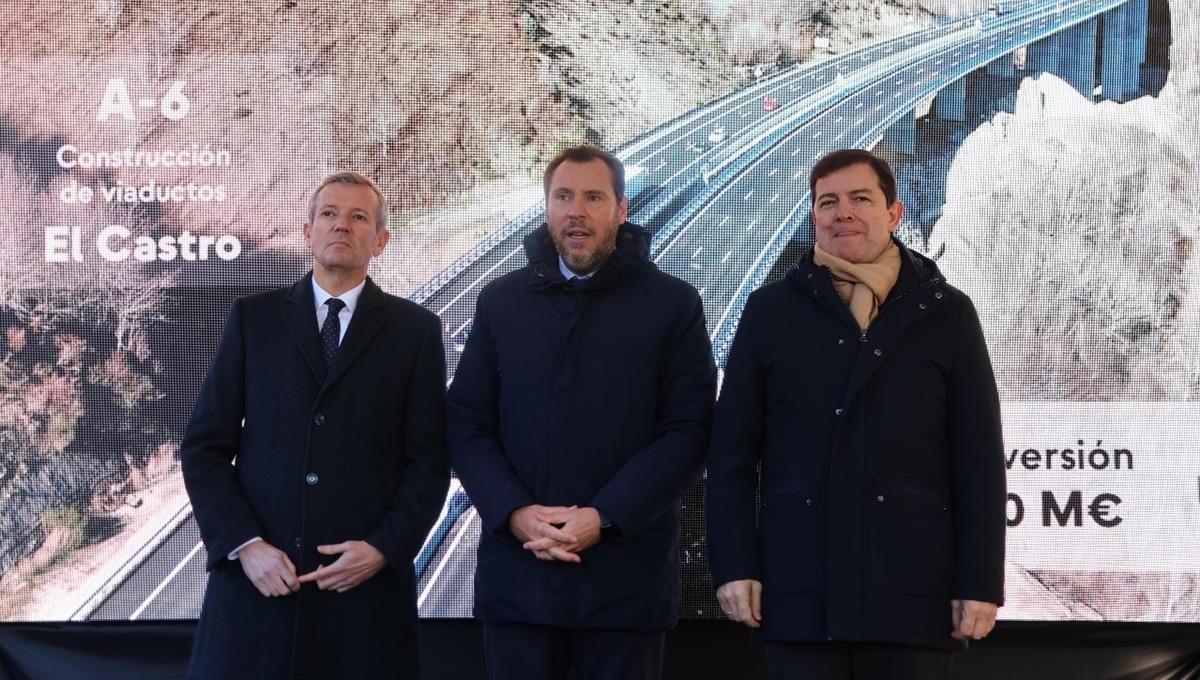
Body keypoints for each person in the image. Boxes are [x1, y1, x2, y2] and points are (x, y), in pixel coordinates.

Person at [705, 149, 1005, 679]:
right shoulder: (769, 311)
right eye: (828, 202)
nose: (842, 212)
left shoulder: (947, 312)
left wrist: (979, 582)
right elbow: (730, 456)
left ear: (894, 213)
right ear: (814, 215)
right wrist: (733, 568)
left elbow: (979, 459)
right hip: (797, 593)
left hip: (912, 593)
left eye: (859, 198)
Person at [447, 145, 716, 680]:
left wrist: (604, 518)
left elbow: (687, 433)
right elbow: (466, 421)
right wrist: (515, 514)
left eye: (594, 197)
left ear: (621, 209)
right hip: (517, 583)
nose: (577, 211)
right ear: (546, 208)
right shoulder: (501, 302)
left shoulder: (673, 305)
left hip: (624, 587)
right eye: (563, 196)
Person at [180, 172, 449, 680]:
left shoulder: (415, 332)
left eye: (359, 217)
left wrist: (383, 548)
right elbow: (204, 450)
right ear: (308, 231)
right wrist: (245, 546)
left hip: (361, 602)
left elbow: (430, 463)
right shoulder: (251, 320)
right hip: (257, 594)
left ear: (381, 240)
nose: (341, 225)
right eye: (328, 213)